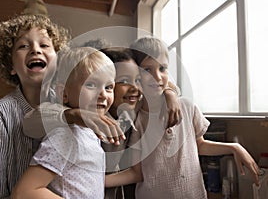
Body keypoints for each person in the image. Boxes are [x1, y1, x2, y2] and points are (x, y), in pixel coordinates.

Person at [105, 37, 260, 199]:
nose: (157, 77)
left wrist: (234, 147)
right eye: (147, 70)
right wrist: (97, 181)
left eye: (162, 68)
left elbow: (199, 145)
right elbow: (138, 173)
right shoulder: (136, 118)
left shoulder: (186, 106)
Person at [0, 14, 70, 198]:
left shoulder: (70, 105)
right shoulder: (0, 114)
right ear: (11, 65)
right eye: (23, 46)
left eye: (44, 45)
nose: (35, 50)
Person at [11, 46, 116, 198]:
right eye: (91, 84)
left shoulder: (88, 133)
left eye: (109, 87)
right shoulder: (64, 136)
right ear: (63, 94)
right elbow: (24, 192)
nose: (103, 95)